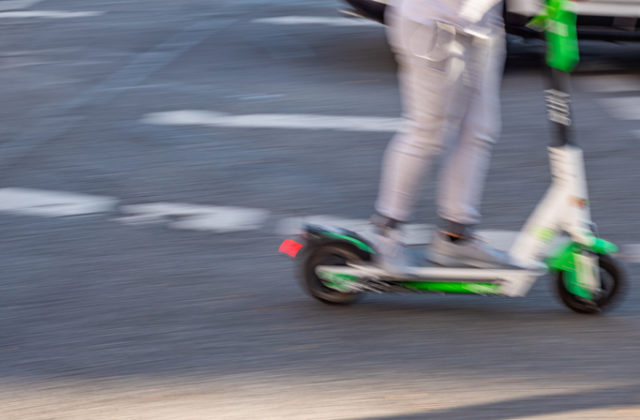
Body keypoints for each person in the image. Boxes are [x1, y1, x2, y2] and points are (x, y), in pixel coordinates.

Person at [370, 0, 518, 272]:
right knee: (429, 132)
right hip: (433, 25)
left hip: (482, 27)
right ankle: (385, 236)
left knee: (478, 131)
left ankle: (456, 237)